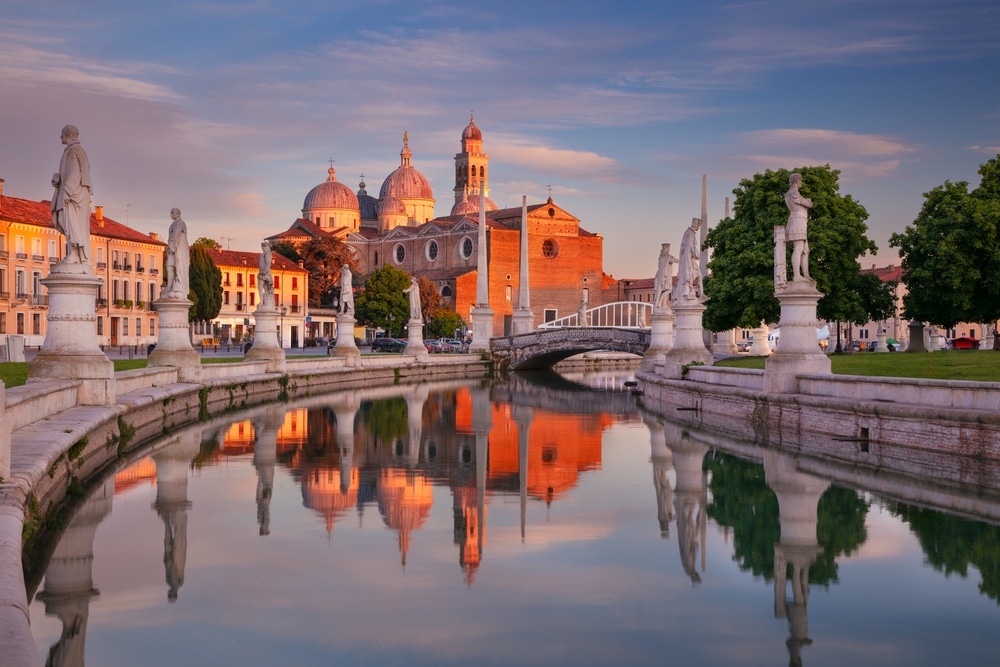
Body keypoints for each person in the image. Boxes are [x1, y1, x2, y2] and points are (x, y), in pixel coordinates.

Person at [51, 125, 92, 264]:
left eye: (62, 134)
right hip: (72, 194)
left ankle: (74, 253)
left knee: (71, 223)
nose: (60, 137)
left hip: (73, 196)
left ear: (67, 135)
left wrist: (67, 191)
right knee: (66, 222)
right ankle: (72, 252)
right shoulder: (73, 151)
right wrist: (59, 179)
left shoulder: (73, 152)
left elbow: (75, 174)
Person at [784, 172, 813, 281]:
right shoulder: (793, 193)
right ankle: (797, 275)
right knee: (798, 248)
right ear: (796, 181)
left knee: (805, 250)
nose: (801, 183)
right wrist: (808, 201)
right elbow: (808, 204)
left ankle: (805, 274)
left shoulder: (792, 193)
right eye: (800, 181)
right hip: (797, 222)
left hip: (800, 222)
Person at [672, 218, 702, 302]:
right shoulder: (690, 234)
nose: (699, 228)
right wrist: (696, 255)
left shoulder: (688, 232)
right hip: (688, 259)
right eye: (699, 226)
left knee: (698, 276)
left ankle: (698, 293)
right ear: (697, 226)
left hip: (687, 258)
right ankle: (689, 292)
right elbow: (690, 248)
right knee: (695, 276)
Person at [165, 208, 189, 299]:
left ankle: (179, 284)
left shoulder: (180, 223)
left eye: (172, 213)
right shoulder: (173, 223)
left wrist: (171, 246)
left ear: (177, 214)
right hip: (172, 248)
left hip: (178, 248)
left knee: (179, 266)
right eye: (171, 213)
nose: (171, 215)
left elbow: (176, 234)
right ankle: (169, 285)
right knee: (169, 266)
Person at [653, 242, 676, 310]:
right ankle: (660, 303)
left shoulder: (661, 257)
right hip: (665, 275)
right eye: (668, 248)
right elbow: (674, 260)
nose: (668, 250)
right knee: (668, 289)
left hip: (661, 275)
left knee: (662, 290)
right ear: (665, 249)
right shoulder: (667, 257)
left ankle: (662, 304)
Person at [258, 241, 274, 308]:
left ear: (268, 247)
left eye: (265, 247)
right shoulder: (263, 254)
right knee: (261, 287)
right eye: (263, 247)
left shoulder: (267, 254)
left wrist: (264, 272)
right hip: (262, 272)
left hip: (265, 273)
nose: (263, 248)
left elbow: (268, 263)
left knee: (264, 287)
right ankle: (262, 302)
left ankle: (264, 302)